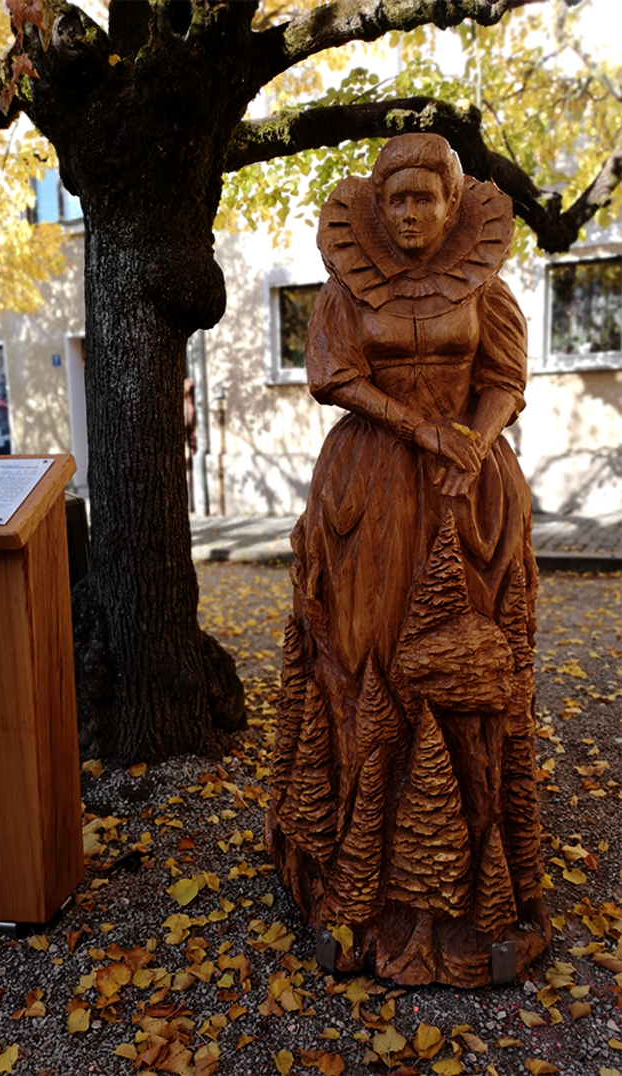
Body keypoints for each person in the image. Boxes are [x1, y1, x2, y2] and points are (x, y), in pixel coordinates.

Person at [266, 134, 550, 987]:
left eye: (425, 200)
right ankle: (358, 882)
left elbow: (505, 377)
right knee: (364, 665)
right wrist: (416, 426)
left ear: (454, 205)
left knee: (471, 676)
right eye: (395, 203)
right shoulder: (349, 291)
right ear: (375, 211)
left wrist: (474, 437)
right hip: (371, 493)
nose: (410, 216)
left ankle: (479, 893)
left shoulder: (486, 289)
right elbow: (332, 376)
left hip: (469, 491)